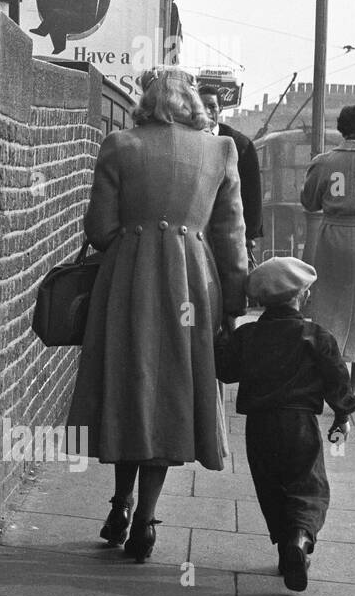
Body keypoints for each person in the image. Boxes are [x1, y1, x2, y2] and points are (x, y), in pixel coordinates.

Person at [66, 67, 247, 561]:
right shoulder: (220, 151)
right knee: (170, 391)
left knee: (130, 384)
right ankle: (146, 516)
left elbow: (100, 228)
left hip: (128, 280)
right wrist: (234, 300)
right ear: (194, 105)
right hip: (192, 282)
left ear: (145, 103)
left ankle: (120, 503)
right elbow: (230, 236)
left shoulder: (120, 145)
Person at [214, 257, 355, 592]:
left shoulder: (249, 335)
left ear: (263, 300)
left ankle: (287, 551)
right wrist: (343, 415)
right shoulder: (316, 336)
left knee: (272, 489)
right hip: (299, 424)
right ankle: (299, 538)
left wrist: (226, 331)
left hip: (259, 428)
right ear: (303, 297)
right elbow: (338, 381)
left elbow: (226, 370)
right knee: (309, 488)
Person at [300, 102, 355, 396]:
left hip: (332, 238)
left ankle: (329, 383)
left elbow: (310, 202)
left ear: (341, 129)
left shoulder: (324, 161)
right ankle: (354, 388)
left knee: (329, 312)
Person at [199, 83, 263, 261]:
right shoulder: (188, 140)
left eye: (211, 106)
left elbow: (252, 191)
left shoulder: (241, 144)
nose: (207, 111)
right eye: (201, 106)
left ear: (219, 109)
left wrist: (251, 234)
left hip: (231, 226)